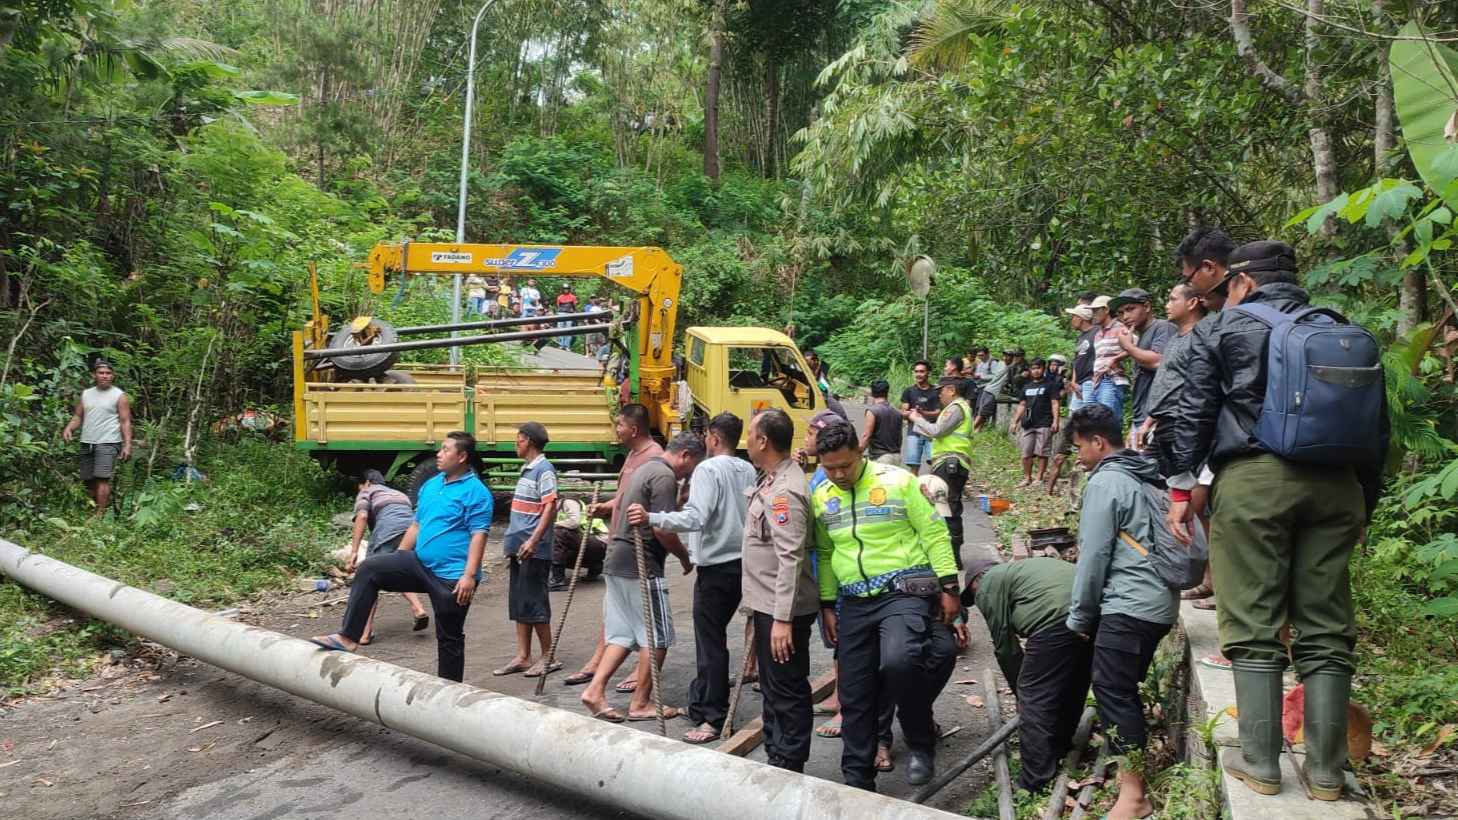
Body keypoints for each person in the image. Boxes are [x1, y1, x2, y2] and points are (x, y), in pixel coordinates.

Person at [1167, 240, 1388, 802]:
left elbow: (1193, 410)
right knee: (1326, 628)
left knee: (1254, 624)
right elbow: (1375, 429)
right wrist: (1365, 502)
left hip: (1254, 483)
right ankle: (1328, 774)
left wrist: (1181, 484)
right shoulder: (1343, 331)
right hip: (1338, 487)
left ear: (1240, 282)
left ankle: (1263, 765)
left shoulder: (1223, 329)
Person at [812, 420, 960, 790]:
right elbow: (827, 554)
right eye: (830, 468)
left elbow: (933, 532)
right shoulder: (822, 496)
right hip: (853, 600)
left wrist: (950, 586)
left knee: (900, 662)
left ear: (860, 452)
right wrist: (828, 603)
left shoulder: (897, 481)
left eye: (845, 465)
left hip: (903, 591)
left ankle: (921, 742)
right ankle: (858, 779)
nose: (839, 474)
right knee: (855, 690)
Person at [1065, 405, 1179, 819]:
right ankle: (1128, 779)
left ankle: (1134, 796)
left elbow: (1094, 554)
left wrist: (1079, 616)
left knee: (1114, 693)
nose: (1077, 455)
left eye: (1079, 447)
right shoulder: (1142, 470)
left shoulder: (1107, 481)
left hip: (1129, 603)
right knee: (1121, 689)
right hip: (1157, 603)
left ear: (1098, 442)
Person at [310, 432, 491, 682]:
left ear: (461, 457)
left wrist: (469, 576)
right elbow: (416, 526)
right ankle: (349, 637)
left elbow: (478, 535)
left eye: (446, 449)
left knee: (449, 638)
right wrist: (398, 559)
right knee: (371, 568)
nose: (439, 454)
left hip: (452, 577)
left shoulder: (477, 492)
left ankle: (449, 694)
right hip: (419, 563)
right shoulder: (432, 485)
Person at [628, 413, 756, 744]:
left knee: (710, 642)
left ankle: (712, 717)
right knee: (712, 638)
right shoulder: (747, 468)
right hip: (743, 563)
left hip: (716, 567)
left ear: (713, 437)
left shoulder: (708, 469)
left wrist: (651, 516)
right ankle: (700, 703)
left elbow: (697, 519)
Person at [580, 432, 704, 723]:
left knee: (622, 634)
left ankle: (595, 691)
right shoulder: (663, 476)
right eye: (694, 464)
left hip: (617, 559)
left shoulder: (645, 468)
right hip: (641, 563)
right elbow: (662, 527)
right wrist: (685, 557)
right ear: (685, 455)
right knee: (658, 637)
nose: (692, 470)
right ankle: (641, 702)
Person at [962, 557, 1092, 793]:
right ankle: (1061, 745)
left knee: (1035, 697)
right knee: (1074, 681)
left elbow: (1006, 648)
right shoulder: (1031, 569)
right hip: (1095, 612)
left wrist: (1021, 694)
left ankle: (1035, 780)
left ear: (976, 581)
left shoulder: (990, 582)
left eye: (974, 594)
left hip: (1056, 619)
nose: (978, 601)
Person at [563, 404, 664, 687]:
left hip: (639, 548)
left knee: (643, 614)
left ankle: (639, 673)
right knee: (614, 610)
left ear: (634, 429)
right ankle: (598, 662)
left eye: (619, 425)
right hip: (619, 542)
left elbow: (654, 505)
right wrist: (606, 507)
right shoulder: (632, 455)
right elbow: (624, 495)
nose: (616, 429)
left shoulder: (653, 459)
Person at [742, 408, 821, 771]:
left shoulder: (784, 492)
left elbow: (790, 557)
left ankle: (789, 764)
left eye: (750, 433)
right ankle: (777, 756)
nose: (746, 440)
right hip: (768, 605)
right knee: (773, 689)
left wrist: (782, 619)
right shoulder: (772, 479)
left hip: (780, 610)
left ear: (763, 441)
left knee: (786, 689)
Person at [495, 422, 561, 678]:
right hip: (519, 548)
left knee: (535, 603)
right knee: (520, 603)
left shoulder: (544, 470)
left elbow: (549, 507)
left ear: (530, 442)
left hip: (533, 550)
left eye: (519, 439)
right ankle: (523, 655)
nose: (516, 444)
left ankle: (549, 656)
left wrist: (533, 540)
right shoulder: (528, 469)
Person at [346, 470, 429, 645]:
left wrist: (354, 551)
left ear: (367, 482)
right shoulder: (399, 494)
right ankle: (418, 608)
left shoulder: (366, 492)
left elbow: (362, 516)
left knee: (370, 577)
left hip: (388, 532)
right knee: (395, 571)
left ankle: (365, 632)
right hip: (412, 533)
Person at [909, 376, 973, 568]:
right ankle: (948, 555)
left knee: (947, 508)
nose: (939, 395)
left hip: (950, 463)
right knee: (944, 507)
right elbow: (934, 433)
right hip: (949, 463)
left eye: (941, 391)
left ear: (951, 390)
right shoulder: (958, 408)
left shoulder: (955, 408)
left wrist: (917, 419)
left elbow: (937, 431)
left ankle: (952, 557)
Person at [61, 360, 133, 518]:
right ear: (94, 375)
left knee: (102, 478)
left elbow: (125, 421)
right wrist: (69, 428)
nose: (105, 376)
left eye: (108, 373)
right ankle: (92, 509)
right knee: (87, 479)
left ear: (113, 376)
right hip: (88, 441)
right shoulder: (86, 394)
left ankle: (99, 514)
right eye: (101, 373)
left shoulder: (119, 396)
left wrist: (127, 444)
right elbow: (78, 416)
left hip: (108, 441)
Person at [1110, 288, 1175, 449]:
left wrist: (1128, 347)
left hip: (1158, 419)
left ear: (1146, 306)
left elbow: (1158, 362)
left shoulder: (1163, 327)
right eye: (1121, 313)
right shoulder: (1141, 336)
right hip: (1141, 419)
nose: (1125, 317)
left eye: (1130, 309)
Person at [1010, 358, 1061, 488]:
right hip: (1028, 423)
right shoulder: (1026, 387)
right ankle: (1027, 478)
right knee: (1026, 452)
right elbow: (1022, 405)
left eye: (1038, 368)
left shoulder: (1050, 385)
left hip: (1045, 422)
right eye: (1033, 368)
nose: (1036, 371)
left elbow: (1055, 403)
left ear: (1044, 369)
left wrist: (1056, 421)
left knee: (1042, 452)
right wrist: (1014, 421)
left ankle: (1039, 478)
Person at [549, 496, 608, 590]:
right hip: (589, 544)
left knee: (558, 532)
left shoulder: (568, 501)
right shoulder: (554, 511)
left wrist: (551, 526)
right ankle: (595, 566)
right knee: (553, 551)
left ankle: (557, 580)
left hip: (599, 541)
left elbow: (574, 522)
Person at [1085, 296, 1130, 418]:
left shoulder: (1119, 328)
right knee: (1092, 420)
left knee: (1108, 419)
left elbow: (1133, 347)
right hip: (1096, 382)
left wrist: (1115, 359)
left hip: (1111, 379)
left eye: (1096, 310)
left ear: (1106, 310)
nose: (1093, 314)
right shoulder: (1098, 333)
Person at [899, 361, 940, 473]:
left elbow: (938, 412)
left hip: (931, 432)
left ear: (928, 373)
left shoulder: (936, 391)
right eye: (916, 371)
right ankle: (914, 489)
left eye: (922, 371)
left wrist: (922, 413)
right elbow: (903, 413)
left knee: (935, 464)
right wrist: (908, 413)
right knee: (914, 466)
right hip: (913, 433)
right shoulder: (908, 391)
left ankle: (933, 488)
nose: (918, 374)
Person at [860, 379, 904, 466]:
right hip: (896, 456)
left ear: (872, 393)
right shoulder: (897, 412)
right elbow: (900, 438)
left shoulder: (872, 411)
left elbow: (866, 436)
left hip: (881, 458)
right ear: (887, 392)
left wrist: (857, 452)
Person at [972, 349, 1010, 431]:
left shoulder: (994, 363)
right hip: (987, 388)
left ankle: (973, 430)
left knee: (984, 411)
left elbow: (995, 377)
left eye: (981, 355)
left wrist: (982, 377)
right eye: (1004, 356)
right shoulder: (999, 364)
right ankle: (975, 430)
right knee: (981, 410)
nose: (1005, 358)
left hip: (991, 389)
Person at [555, 284, 579, 349]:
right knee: (560, 329)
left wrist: (575, 313)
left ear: (569, 289)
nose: (566, 290)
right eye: (565, 289)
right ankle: (561, 344)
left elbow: (575, 306)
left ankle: (567, 345)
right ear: (562, 289)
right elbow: (558, 306)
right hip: (561, 313)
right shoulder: (559, 297)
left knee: (568, 329)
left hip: (569, 313)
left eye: (567, 289)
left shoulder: (573, 297)